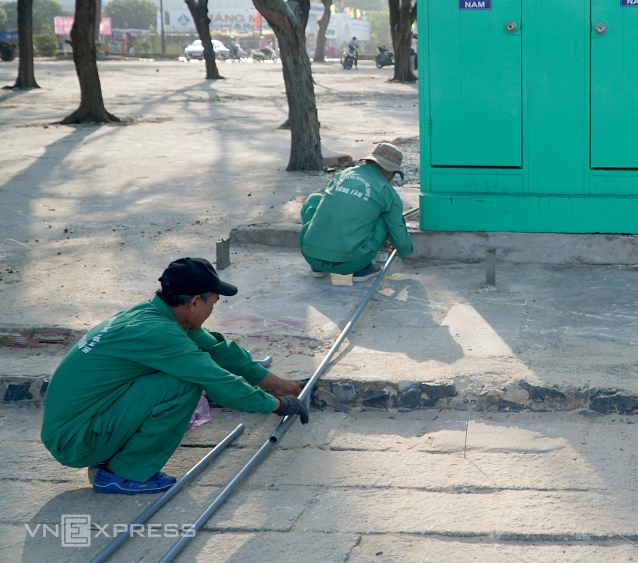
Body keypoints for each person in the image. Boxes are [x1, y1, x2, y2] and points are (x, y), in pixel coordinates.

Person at [41, 259, 309, 495]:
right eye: (213, 302)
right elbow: (217, 380)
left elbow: (218, 351)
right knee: (183, 384)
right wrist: (276, 405)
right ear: (195, 302)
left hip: (78, 425)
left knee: (175, 375)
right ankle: (124, 472)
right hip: (75, 441)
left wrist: (280, 385)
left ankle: (113, 454)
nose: (212, 309)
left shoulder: (155, 314)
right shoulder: (158, 333)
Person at [300, 142, 414, 281]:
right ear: (390, 171)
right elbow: (399, 237)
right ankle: (363, 269)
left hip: (311, 256)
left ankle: (319, 267)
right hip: (351, 262)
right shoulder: (387, 192)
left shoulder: (342, 175)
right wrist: (405, 251)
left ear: (368, 161)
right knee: (386, 217)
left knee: (314, 200)